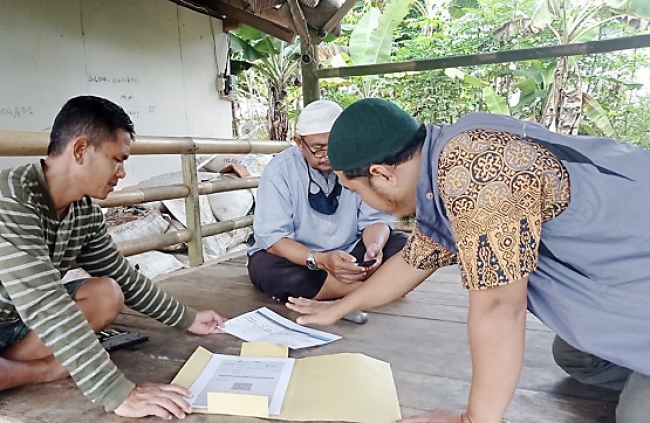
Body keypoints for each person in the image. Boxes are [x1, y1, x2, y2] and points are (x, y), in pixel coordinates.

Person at [286, 98, 650, 423]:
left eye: (357, 190)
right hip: (630, 275)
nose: (364, 204)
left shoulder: (476, 172)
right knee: (579, 356)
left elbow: (499, 307)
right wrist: (340, 306)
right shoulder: (447, 157)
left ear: (381, 174)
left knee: (634, 414)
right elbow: (415, 258)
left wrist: (474, 419)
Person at [0, 96, 227, 420]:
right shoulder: (11, 198)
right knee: (56, 311)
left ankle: (14, 369)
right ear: (80, 150)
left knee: (107, 293)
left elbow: (123, 276)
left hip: (19, 325)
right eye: (117, 160)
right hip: (30, 312)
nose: (122, 173)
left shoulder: (84, 211)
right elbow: (45, 302)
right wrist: (118, 393)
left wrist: (189, 318)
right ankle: (45, 370)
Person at [247, 100, 407, 314]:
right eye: (319, 148)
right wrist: (320, 260)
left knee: (404, 246)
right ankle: (373, 289)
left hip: (350, 254)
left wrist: (373, 248)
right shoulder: (279, 171)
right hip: (304, 260)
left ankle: (340, 288)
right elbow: (274, 240)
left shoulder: (360, 161)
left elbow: (375, 218)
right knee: (265, 269)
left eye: (335, 146)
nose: (328, 155)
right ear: (299, 143)